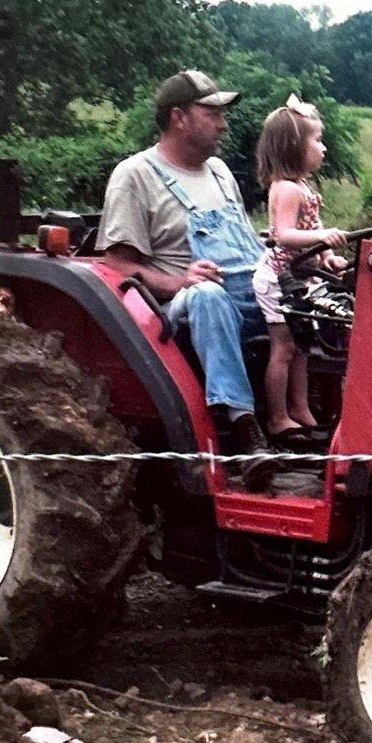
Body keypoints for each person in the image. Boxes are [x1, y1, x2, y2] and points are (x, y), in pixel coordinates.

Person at [96, 70, 279, 491]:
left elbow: (246, 244)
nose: (223, 124)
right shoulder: (136, 175)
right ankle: (245, 431)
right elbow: (116, 266)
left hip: (244, 295)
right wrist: (181, 281)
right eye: (212, 113)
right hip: (177, 312)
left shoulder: (219, 172)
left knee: (311, 298)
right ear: (178, 117)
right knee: (207, 296)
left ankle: (302, 424)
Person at [253, 95, 348, 448]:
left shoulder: (304, 188)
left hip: (299, 280)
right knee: (284, 347)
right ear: (293, 147)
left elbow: (311, 232)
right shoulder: (287, 189)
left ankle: (301, 409)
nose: (324, 148)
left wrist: (327, 257)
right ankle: (278, 418)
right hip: (278, 280)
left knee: (303, 347)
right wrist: (322, 237)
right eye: (317, 140)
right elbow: (284, 235)